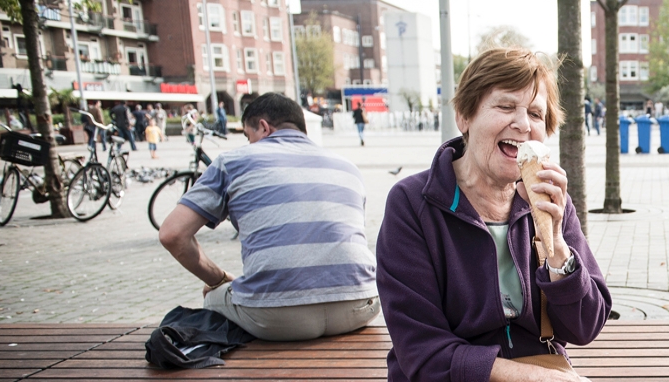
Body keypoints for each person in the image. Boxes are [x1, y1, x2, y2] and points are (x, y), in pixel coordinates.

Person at [375, 47, 610, 382]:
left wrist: (557, 246)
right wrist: (532, 377)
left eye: (535, 113)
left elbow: (586, 326)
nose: (522, 124)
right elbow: (421, 353)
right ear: (464, 116)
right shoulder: (413, 204)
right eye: (505, 106)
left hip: (543, 366)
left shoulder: (548, 200)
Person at [157, 93, 379, 342]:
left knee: (213, 294)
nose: (250, 143)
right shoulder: (347, 166)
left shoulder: (231, 162)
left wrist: (218, 280)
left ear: (263, 127)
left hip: (275, 317)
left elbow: (172, 234)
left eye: (248, 136)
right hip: (361, 304)